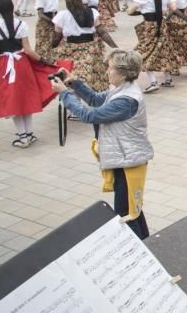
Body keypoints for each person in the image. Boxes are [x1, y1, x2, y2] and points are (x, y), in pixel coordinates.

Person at [50, 50, 153, 240]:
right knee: (132, 208)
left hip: (129, 161)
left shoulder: (126, 99)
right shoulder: (122, 89)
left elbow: (90, 115)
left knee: (126, 213)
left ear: (122, 73)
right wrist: (74, 83)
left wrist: (65, 94)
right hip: (125, 159)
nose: (107, 71)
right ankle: (149, 243)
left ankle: (140, 252)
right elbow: (96, 100)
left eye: (110, 68)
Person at [0, 0, 63, 148]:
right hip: (22, 64)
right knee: (25, 98)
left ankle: (23, 137)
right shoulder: (21, 24)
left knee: (12, 100)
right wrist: (44, 61)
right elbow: (28, 50)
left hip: (4, 66)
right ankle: (28, 133)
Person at [52, 0, 117, 91]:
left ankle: (74, 100)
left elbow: (56, 38)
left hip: (70, 49)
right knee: (92, 76)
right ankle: (92, 99)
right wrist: (115, 47)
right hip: (90, 48)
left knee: (71, 76)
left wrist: (51, 47)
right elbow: (102, 32)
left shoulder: (62, 15)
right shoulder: (91, 12)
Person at [128, 0, 181, 92]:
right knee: (163, 51)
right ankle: (167, 79)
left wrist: (141, 11)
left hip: (149, 27)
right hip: (162, 25)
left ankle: (153, 82)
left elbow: (130, 11)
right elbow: (173, 8)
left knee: (144, 52)